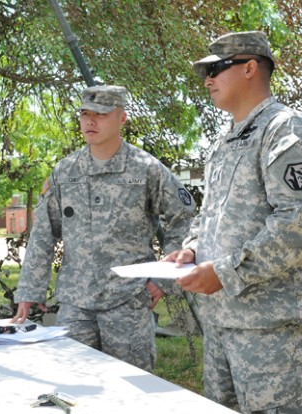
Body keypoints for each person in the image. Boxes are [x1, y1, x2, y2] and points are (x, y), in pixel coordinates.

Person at [165, 31, 302, 414]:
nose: (206, 78)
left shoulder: (288, 130)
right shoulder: (224, 144)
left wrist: (224, 271)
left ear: (250, 68)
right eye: (205, 70)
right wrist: (190, 250)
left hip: (272, 327)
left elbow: (299, 223)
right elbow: (212, 219)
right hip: (223, 324)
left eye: (214, 68)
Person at [11, 85, 196, 371]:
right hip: (75, 305)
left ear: (122, 118)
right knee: (72, 388)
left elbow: (184, 219)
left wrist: (163, 278)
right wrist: (29, 290)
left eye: (100, 114)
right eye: (85, 113)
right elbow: (43, 233)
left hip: (128, 302)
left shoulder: (146, 169)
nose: (90, 121)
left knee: (131, 388)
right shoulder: (66, 171)